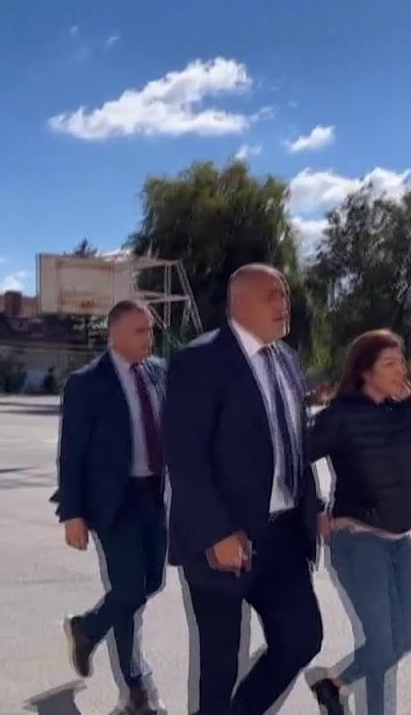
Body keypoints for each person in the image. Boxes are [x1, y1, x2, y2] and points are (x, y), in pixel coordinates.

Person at [162, 263, 326, 715]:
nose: (283, 302)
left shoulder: (287, 359)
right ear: (239, 304)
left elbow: (293, 443)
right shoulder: (199, 361)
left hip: (282, 535)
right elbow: (185, 458)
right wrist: (216, 532)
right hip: (221, 538)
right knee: (219, 667)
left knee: (301, 637)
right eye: (272, 294)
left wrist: (315, 506)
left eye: (284, 294)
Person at [304, 328, 411, 715]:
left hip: (399, 542)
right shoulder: (339, 416)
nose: (400, 370)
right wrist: (316, 508)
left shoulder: (402, 411)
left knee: (405, 638)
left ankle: (333, 684)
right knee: (383, 645)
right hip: (358, 542)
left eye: (401, 362)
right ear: (365, 370)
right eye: (389, 363)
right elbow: (292, 458)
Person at [51, 299, 168, 715]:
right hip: (113, 503)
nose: (148, 338)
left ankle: (87, 628)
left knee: (150, 583)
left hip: (154, 495)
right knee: (129, 591)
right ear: (113, 334)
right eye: (139, 331)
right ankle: (136, 687)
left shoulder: (158, 372)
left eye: (150, 330)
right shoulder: (87, 383)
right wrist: (73, 513)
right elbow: (71, 453)